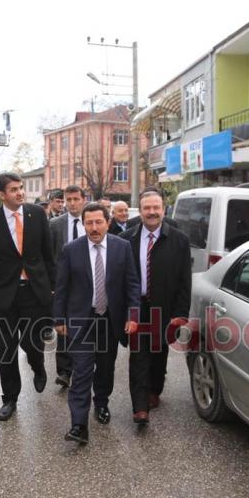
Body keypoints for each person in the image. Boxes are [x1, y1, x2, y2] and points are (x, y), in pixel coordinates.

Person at [0, 172, 55, 422]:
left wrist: (54, 287)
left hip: (33, 291)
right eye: (14, 189)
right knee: (6, 349)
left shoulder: (37, 214)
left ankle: (38, 367)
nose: (20, 193)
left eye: (21, 188)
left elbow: (48, 254)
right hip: (3, 294)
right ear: (2, 194)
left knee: (31, 342)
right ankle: (10, 398)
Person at [54, 203, 139, 445]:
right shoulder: (71, 250)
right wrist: (59, 318)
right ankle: (79, 425)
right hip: (81, 319)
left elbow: (132, 284)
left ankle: (101, 402)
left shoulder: (122, 247)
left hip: (109, 320)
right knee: (81, 371)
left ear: (107, 223)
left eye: (98, 222)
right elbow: (61, 287)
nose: (94, 227)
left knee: (105, 367)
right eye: (89, 223)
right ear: (83, 224)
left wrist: (133, 315)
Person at [120, 188, 191, 424]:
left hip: (164, 308)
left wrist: (181, 313)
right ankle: (140, 407)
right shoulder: (126, 240)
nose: (152, 212)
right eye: (147, 208)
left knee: (159, 352)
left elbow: (184, 280)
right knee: (138, 356)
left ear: (164, 210)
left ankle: (154, 389)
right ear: (140, 211)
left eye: (156, 207)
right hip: (136, 306)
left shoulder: (179, 240)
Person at [48, 184, 87, 388]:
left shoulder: (91, 221)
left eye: (76, 199)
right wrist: (51, 283)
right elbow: (49, 255)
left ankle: (83, 366)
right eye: (68, 200)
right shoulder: (55, 224)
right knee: (63, 325)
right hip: (63, 283)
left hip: (88, 281)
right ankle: (64, 371)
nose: (72, 203)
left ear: (83, 200)